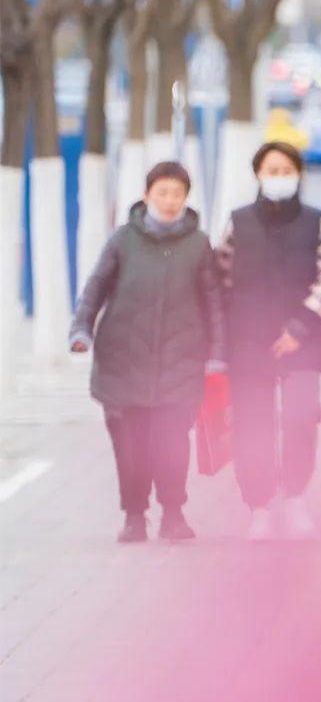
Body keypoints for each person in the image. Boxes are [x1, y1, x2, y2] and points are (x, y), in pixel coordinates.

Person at [69, 161, 225, 544]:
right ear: (147, 195)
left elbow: (214, 304)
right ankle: (134, 516)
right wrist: (81, 330)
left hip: (181, 363)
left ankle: (174, 514)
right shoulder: (124, 239)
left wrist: (218, 353)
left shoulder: (198, 244)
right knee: (131, 448)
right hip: (123, 361)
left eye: (177, 194)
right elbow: (96, 288)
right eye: (162, 193)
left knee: (171, 445)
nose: (170, 201)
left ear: (186, 198)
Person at [217, 141, 321, 540]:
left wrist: (299, 328)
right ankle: (259, 505)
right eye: (271, 170)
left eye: (286, 170)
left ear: (298, 175)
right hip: (249, 340)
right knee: (252, 424)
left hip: (304, 340)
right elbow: (222, 278)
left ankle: (295, 496)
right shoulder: (237, 222)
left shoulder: (316, 221)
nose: (279, 177)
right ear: (257, 174)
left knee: (301, 416)